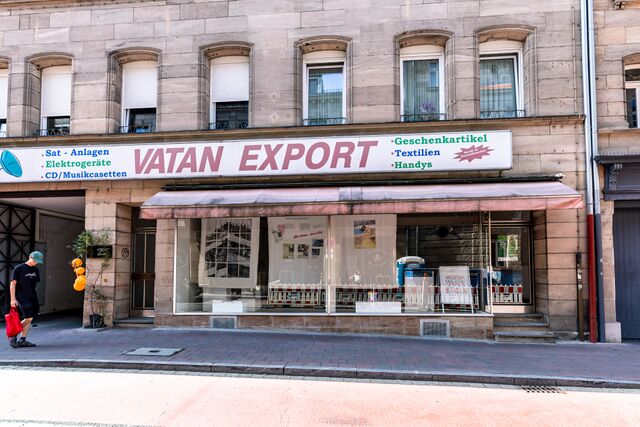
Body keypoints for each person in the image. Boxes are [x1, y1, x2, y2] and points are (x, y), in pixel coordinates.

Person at [7, 251, 43, 348]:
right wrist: (13, 299)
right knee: (29, 318)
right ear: (30, 257)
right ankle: (13, 333)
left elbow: (34, 285)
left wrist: (35, 296)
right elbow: (12, 284)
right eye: (35, 260)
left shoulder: (36, 269)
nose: (36, 262)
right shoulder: (19, 268)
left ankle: (22, 340)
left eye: (38, 261)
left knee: (30, 318)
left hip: (33, 296)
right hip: (21, 296)